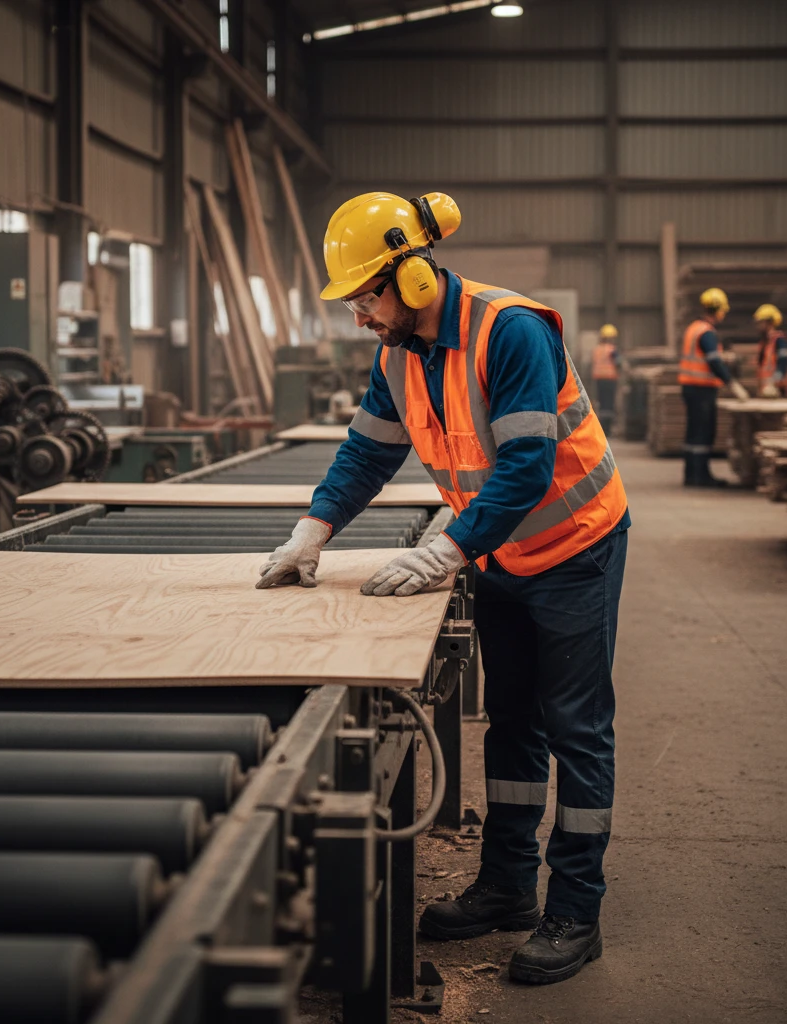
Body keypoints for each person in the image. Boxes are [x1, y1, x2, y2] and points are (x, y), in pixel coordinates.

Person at [257, 191, 630, 986]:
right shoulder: (398, 354)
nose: (358, 314)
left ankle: (576, 908)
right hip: (499, 558)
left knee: (576, 728)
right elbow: (365, 456)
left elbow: (528, 468)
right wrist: (312, 531)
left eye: (365, 295)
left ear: (415, 278)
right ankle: (507, 887)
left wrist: (443, 552)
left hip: (576, 548)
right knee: (514, 723)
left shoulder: (512, 331)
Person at [677, 287, 749, 487]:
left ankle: (691, 475)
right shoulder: (707, 333)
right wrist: (732, 383)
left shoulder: (694, 328)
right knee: (703, 433)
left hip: (690, 387)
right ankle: (701, 476)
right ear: (717, 310)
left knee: (693, 433)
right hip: (702, 390)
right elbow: (714, 362)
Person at [753, 304, 787, 398]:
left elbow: (784, 362)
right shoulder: (764, 343)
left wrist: (774, 381)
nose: (758, 325)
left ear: (769, 322)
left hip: (779, 390)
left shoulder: (780, 341)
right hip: (766, 391)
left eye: (760, 322)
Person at [590, 324, 621, 435]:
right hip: (609, 379)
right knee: (609, 404)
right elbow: (618, 363)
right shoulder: (611, 350)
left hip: (599, 380)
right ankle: (607, 430)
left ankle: (601, 428)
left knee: (601, 403)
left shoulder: (597, 350)